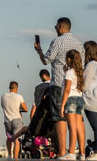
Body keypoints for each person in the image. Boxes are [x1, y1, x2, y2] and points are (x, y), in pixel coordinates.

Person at [34, 17, 84, 158]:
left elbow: (46, 60)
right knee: (78, 119)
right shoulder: (79, 44)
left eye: (56, 27)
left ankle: (63, 152)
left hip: (59, 84)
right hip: (77, 87)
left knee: (59, 117)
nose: (55, 29)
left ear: (61, 27)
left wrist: (39, 51)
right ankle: (81, 151)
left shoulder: (57, 41)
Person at [59, 49, 86, 160]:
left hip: (71, 100)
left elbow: (67, 89)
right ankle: (82, 153)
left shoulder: (70, 73)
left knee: (72, 128)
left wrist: (62, 106)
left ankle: (71, 153)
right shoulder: (80, 72)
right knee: (79, 127)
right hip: (80, 99)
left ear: (69, 60)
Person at [1, 81, 28, 158]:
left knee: (9, 138)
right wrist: (19, 109)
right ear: (16, 88)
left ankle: (9, 155)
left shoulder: (3, 96)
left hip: (7, 121)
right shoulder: (19, 96)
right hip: (16, 120)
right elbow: (25, 108)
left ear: (9, 87)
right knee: (17, 139)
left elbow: (4, 107)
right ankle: (15, 157)